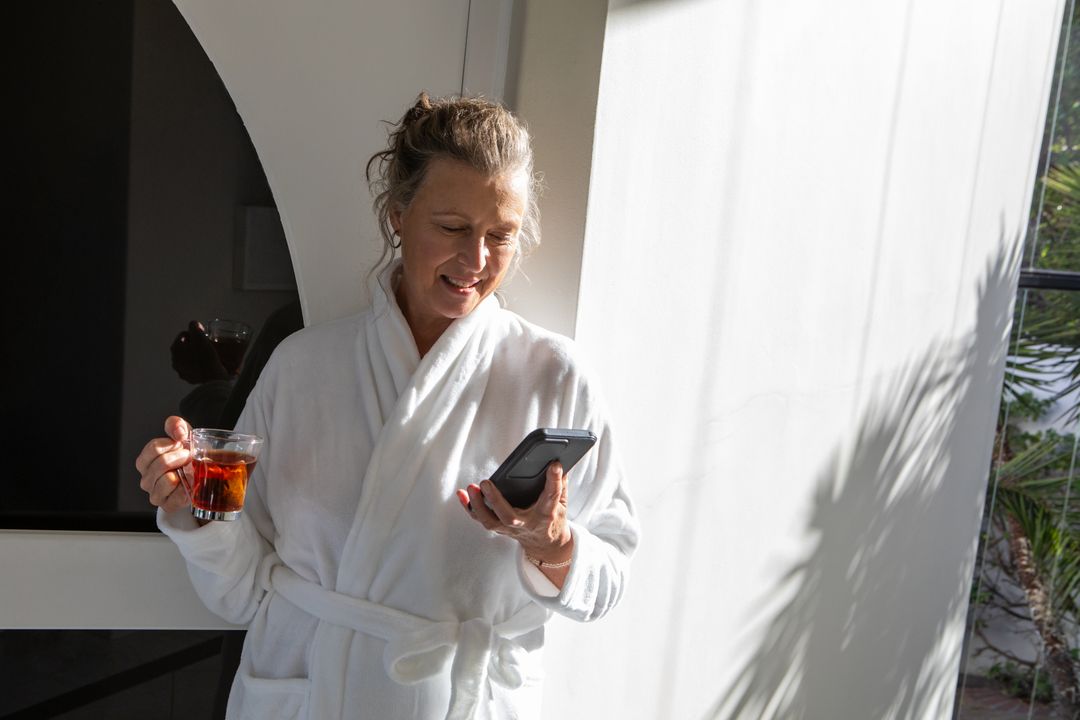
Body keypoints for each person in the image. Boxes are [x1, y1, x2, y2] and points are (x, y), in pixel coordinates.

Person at [135, 93, 639, 720]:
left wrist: (554, 544)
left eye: (500, 235)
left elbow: (609, 580)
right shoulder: (301, 367)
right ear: (399, 214)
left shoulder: (555, 376)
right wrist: (196, 511)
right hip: (307, 693)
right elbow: (237, 596)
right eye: (452, 228)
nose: (476, 261)